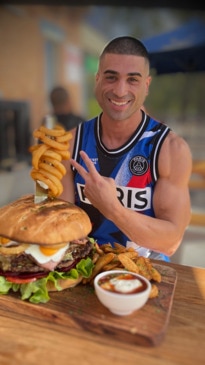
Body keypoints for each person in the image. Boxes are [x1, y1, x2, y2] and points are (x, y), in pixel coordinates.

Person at [60, 36, 192, 261]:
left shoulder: (170, 149)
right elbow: (59, 221)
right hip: (82, 264)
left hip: (146, 269)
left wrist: (113, 209)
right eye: (111, 77)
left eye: (132, 80)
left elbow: (170, 241)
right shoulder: (69, 143)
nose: (120, 91)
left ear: (146, 85)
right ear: (97, 79)